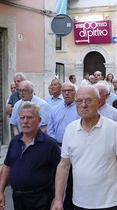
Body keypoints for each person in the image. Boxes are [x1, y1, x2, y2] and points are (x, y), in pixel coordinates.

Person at [51, 85, 117, 210]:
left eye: (89, 100)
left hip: (109, 202)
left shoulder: (113, 128)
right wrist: (58, 199)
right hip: (79, 201)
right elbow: (64, 166)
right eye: (79, 101)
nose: (84, 105)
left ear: (99, 102)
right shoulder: (70, 129)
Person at [0, 102, 61, 210]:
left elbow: (60, 172)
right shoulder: (14, 141)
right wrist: (0, 191)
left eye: (29, 117)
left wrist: (57, 198)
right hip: (18, 199)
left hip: (40, 199)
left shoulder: (50, 144)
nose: (25, 121)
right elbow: (6, 166)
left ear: (39, 120)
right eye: (22, 117)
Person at [47, 82, 79, 210]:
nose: (66, 93)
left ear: (74, 92)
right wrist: (57, 147)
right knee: (55, 179)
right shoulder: (54, 109)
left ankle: (68, 205)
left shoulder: (79, 108)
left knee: (72, 181)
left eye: (70, 90)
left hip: (75, 149)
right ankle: (54, 202)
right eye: (64, 91)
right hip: (57, 148)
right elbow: (50, 130)